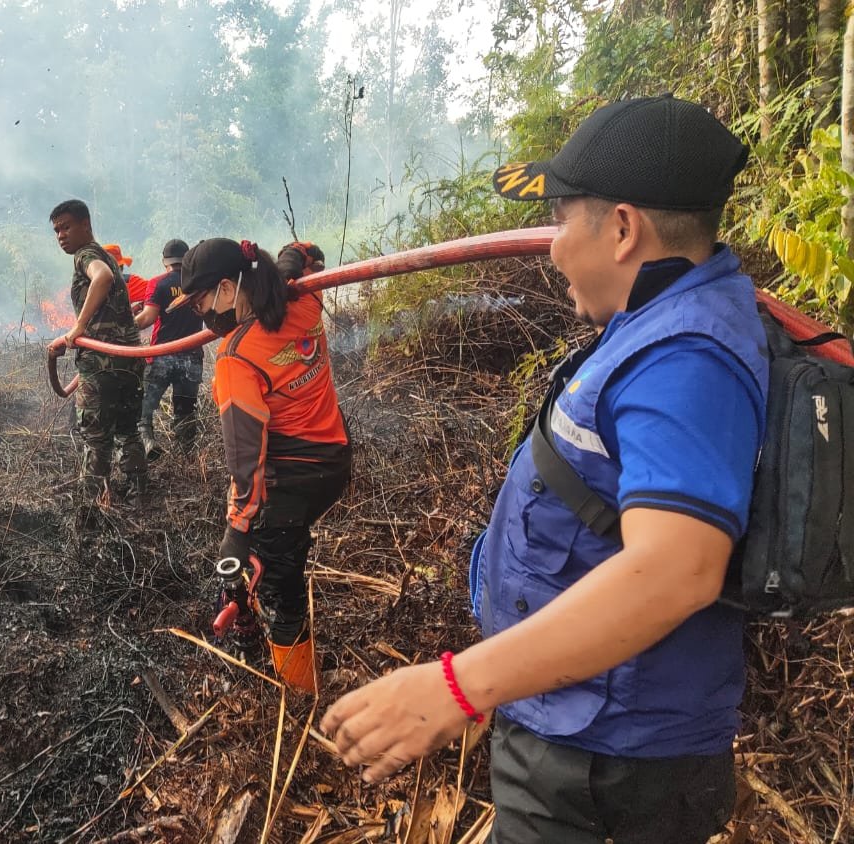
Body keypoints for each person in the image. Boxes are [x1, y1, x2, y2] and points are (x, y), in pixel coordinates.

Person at [320, 95, 766, 844]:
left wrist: (454, 688)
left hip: (606, 767)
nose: (552, 246)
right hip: (576, 729)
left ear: (623, 228)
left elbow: (676, 570)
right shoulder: (657, 324)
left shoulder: (686, 361)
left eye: (563, 220)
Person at [170, 238, 351, 692]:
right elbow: (307, 248)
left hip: (289, 485)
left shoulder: (236, 358)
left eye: (199, 301)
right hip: (334, 465)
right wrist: (290, 265)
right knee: (273, 559)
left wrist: (237, 530)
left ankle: (301, 697)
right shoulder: (304, 302)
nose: (199, 314)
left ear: (228, 290)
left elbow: (245, 460)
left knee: (278, 591)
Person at [47, 200, 148, 505]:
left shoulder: (86, 255)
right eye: (56, 230)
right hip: (130, 360)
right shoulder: (107, 256)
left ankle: (92, 506)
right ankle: (138, 494)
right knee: (128, 429)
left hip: (102, 364)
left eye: (66, 227)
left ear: (86, 224)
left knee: (96, 434)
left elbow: (101, 277)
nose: (61, 235)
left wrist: (78, 327)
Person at [134, 238, 202, 458]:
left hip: (162, 356)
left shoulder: (158, 283)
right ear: (186, 258)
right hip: (192, 357)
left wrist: (123, 323)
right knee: (185, 410)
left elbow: (147, 319)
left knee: (145, 406)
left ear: (165, 261)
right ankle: (186, 457)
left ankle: (148, 443)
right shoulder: (197, 282)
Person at [103, 243, 150, 310]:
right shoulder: (129, 282)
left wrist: (138, 307)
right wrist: (139, 307)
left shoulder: (88, 284)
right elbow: (156, 291)